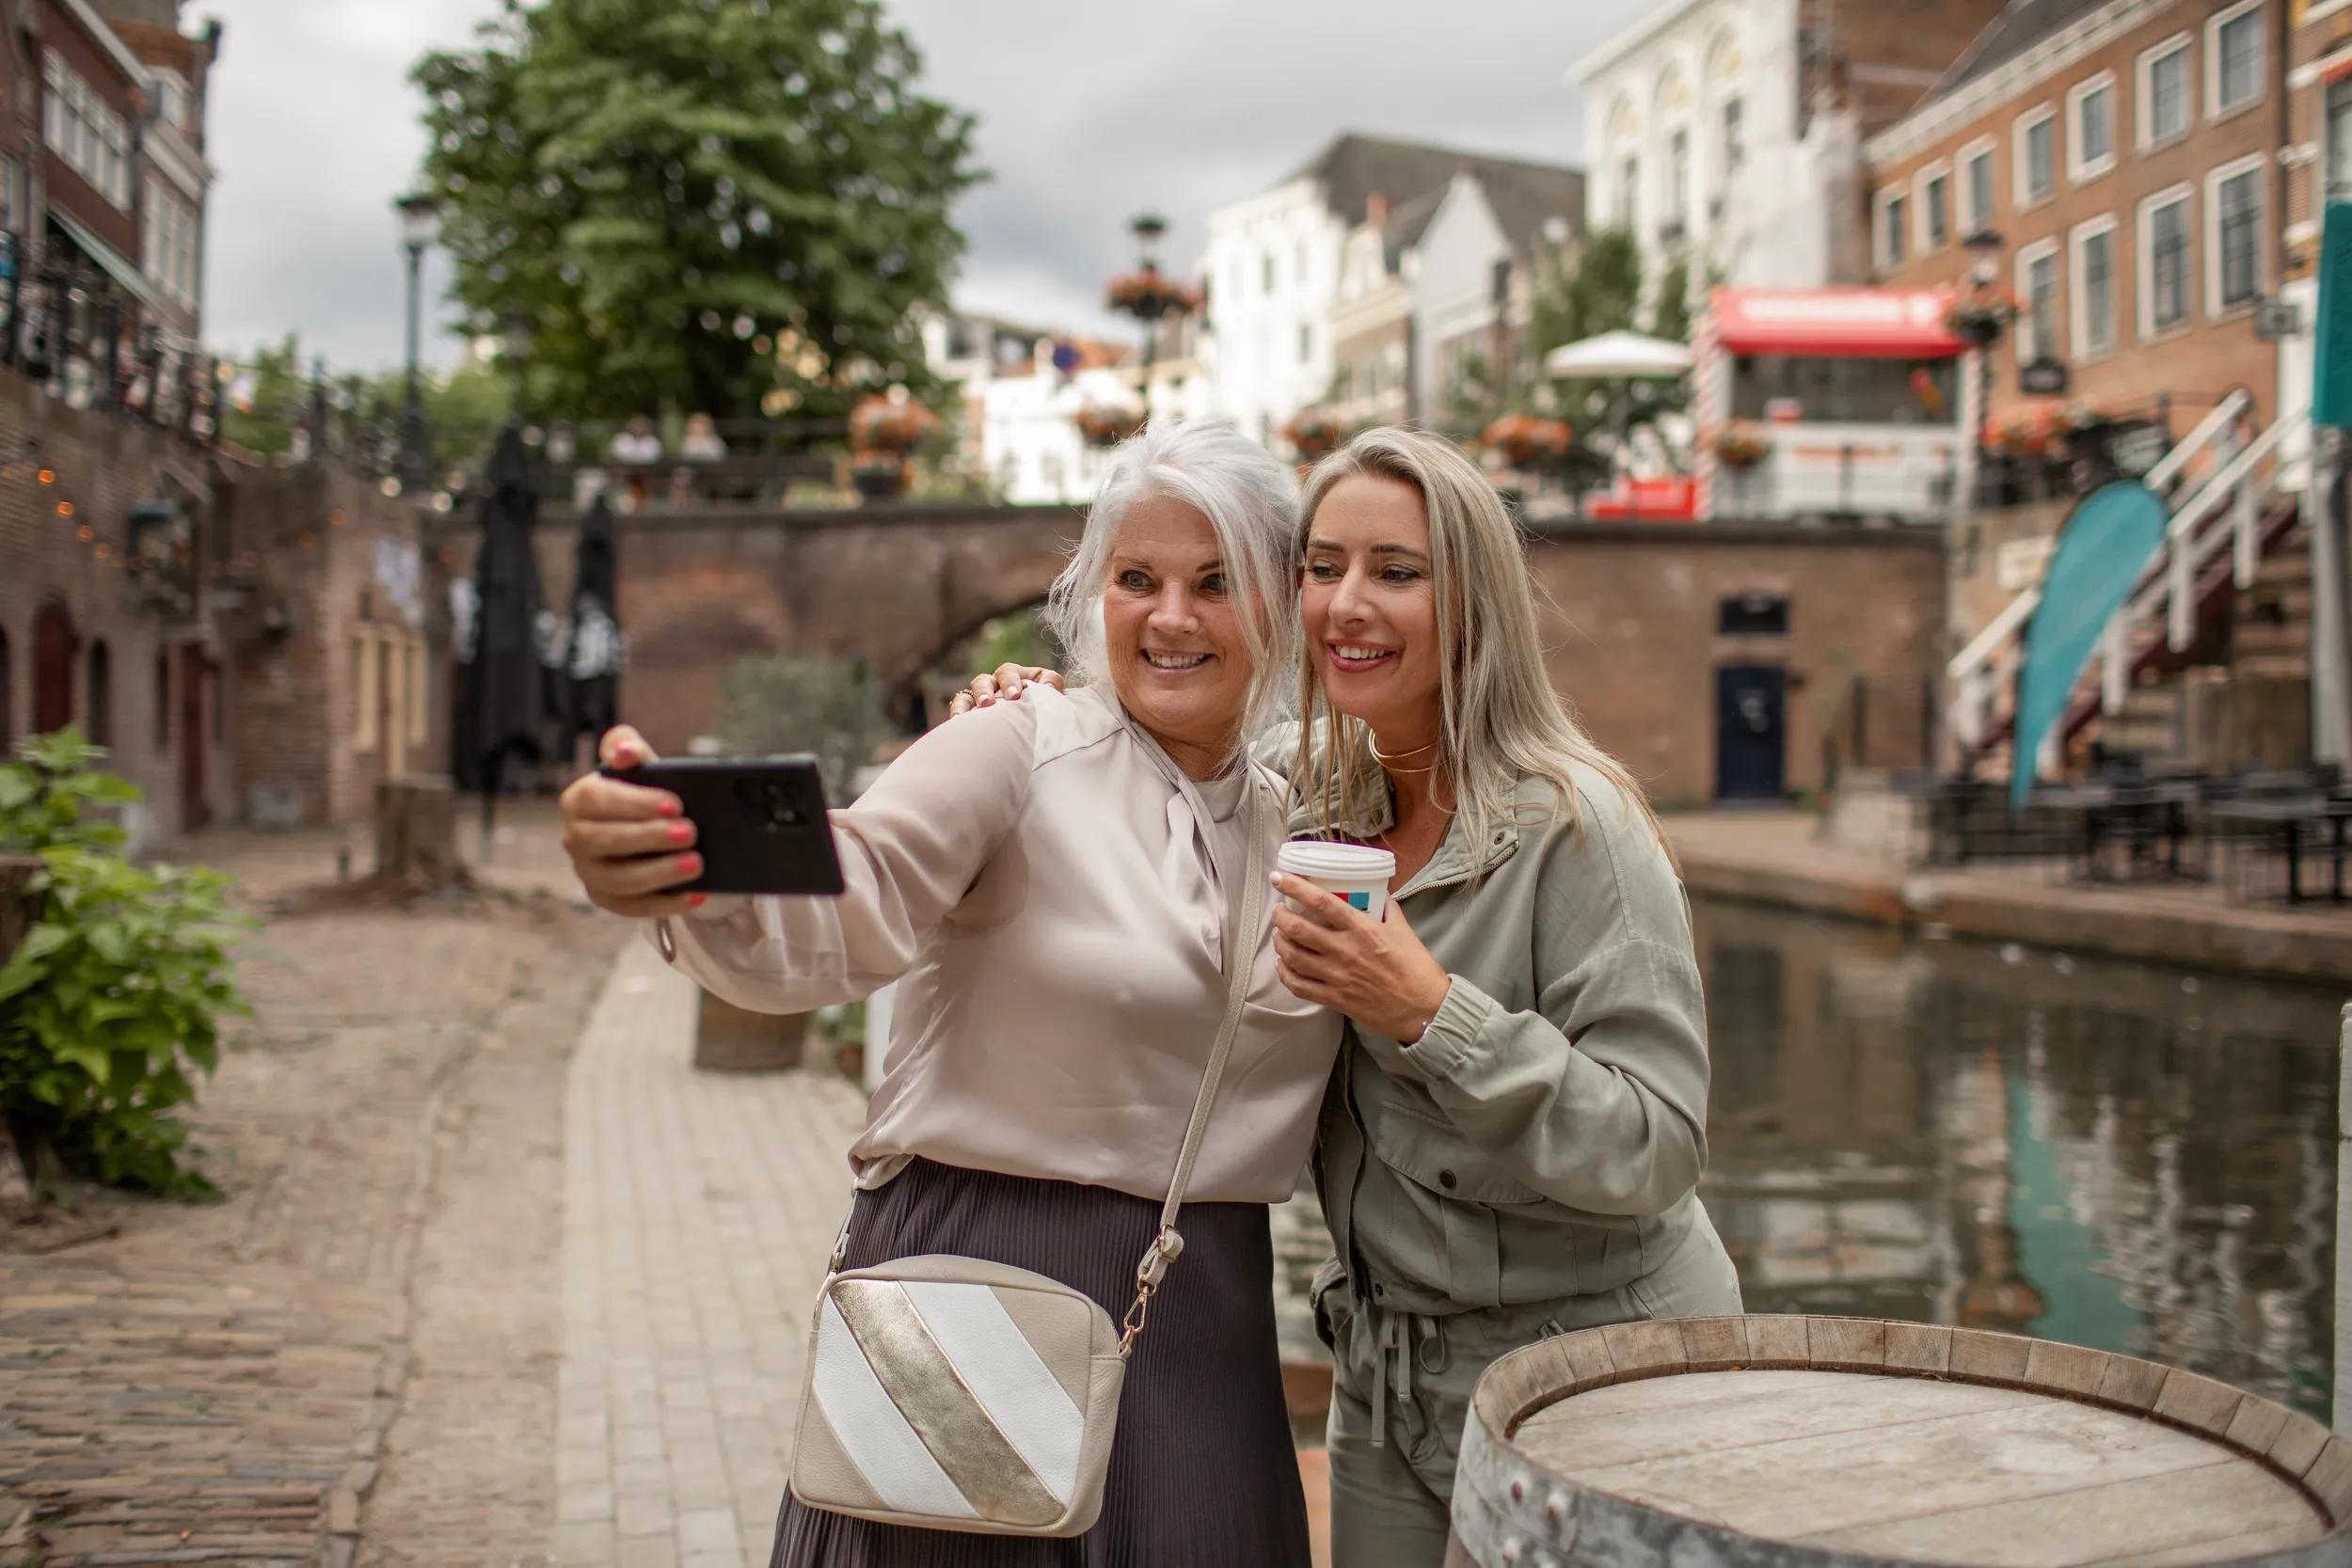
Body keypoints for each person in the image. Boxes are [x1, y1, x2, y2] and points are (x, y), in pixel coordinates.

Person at [557, 420, 1339, 1567]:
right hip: (981, 1280)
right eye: (1138, 579)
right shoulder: (1016, 748)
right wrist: (685, 869)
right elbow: (847, 895)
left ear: (1277, 603)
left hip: (1203, 1317)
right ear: (1093, 596)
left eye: (1215, 583)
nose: (1172, 617)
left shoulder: (1296, 822)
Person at [957, 426, 1740, 1568]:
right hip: (1386, 1380)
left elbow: (1656, 1146)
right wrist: (1036, 709)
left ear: (1472, 600)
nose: (1345, 605)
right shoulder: (1310, 797)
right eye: (1321, 567)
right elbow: (1158, 739)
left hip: (1591, 1374)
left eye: (1396, 571)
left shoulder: (1580, 829)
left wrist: (1431, 1010)